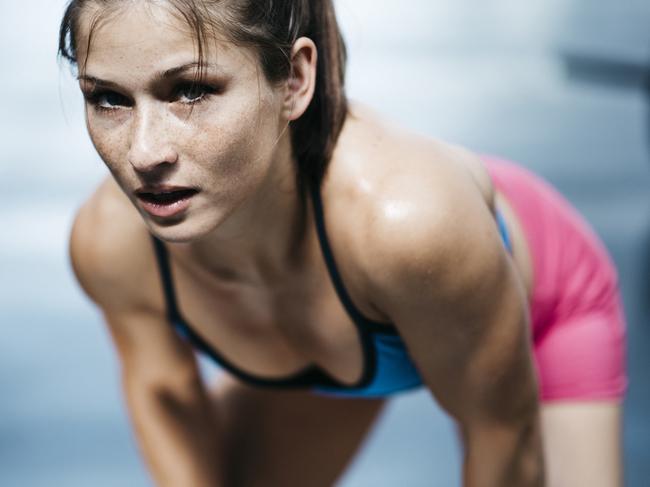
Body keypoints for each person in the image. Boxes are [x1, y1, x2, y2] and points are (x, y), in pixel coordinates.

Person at [59, 1, 627, 486]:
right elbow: (166, 394)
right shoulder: (110, 242)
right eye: (107, 98)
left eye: (191, 90)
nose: (143, 153)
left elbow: (506, 441)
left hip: (542, 300)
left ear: (295, 80)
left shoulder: (409, 224)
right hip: (339, 320)